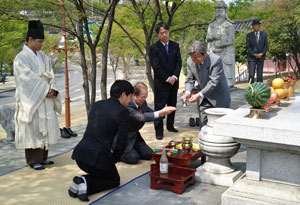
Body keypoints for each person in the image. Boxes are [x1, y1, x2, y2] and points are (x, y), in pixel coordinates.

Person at [69, 80, 134, 202]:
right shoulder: (122, 112)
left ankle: (78, 184)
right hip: (97, 159)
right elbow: (122, 141)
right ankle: (84, 181)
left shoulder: (97, 104)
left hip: (80, 156)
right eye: (130, 97)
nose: (130, 101)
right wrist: (114, 159)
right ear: (124, 94)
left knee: (102, 173)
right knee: (114, 180)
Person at [13, 20, 61, 170]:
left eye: (42, 42)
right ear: (30, 40)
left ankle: (44, 157)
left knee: (45, 126)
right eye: (39, 42)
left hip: (45, 97)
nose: (41, 45)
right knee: (33, 128)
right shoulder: (21, 58)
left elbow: (51, 74)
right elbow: (26, 79)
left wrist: (53, 90)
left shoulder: (43, 56)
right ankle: (34, 160)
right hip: (33, 99)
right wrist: (45, 89)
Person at [121, 82, 176, 164]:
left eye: (146, 97)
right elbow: (141, 117)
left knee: (149, 154)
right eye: (142, 97)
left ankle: (134, 149)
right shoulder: (127, 105)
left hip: (135, 136)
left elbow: (150, 112)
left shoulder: (143, 102)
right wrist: (160, 112)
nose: (144, 99)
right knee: (133, 158)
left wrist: (162, 113)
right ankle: (119, 153)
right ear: (133, 95)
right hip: (124, 138)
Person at [182, 41, 231, 129]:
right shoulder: (190, 61)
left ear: (204, 54)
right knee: (204, 126)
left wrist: (199, 94)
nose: (194, 60)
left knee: (220, 127)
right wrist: (188, 92)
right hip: (203, 98)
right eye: (192, 57)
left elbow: (213, 82)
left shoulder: (215, 60)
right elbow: (189, 79)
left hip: (219, 97)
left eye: (197, 58)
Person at [149, 22, 182, 140]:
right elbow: (156, 66)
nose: (164, 35)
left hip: (174, 81)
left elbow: (179, 62)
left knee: (172, 105)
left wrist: (175, 77)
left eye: (166, 32)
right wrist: (167, 78)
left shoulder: (175, 45)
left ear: (169, 32)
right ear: (158, 34)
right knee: (159, 107)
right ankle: (159, 131)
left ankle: (170, 126)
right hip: (161, 83)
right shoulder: (154, 48)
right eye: (162, 33)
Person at [206, 0, 235, 87]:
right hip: (214, 49)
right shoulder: (211, 25)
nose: (219, 13)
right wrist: (214, 37)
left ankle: (228, 84)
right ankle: (213, 83)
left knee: (226, 69)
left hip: (225, 50)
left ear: (225, 12)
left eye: (221, 11)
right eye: (217, 11)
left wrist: (222, 43)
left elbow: (231, 39)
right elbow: (207, 38)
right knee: (213, 67)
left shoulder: (229, 25)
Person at [246, 19, 268, 84]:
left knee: (260, 74)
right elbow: (248, 47)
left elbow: (266, 45)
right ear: (252, 27)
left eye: (258, 25)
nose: (256, 27)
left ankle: (259, 88)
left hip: (261, 57)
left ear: (260, 26)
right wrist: (254, 54)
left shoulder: (264, 35)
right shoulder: (249, 35)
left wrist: (262, 53)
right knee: (251, 74)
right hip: (252, 58)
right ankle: (251, 88)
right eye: (255, 25)